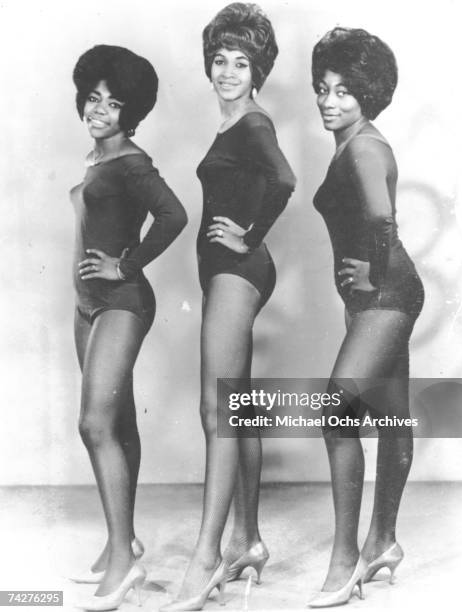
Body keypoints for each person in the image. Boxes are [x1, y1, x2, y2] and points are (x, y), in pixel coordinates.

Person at [161, 4, 295, 611]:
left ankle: (208, 557)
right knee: (232, 406)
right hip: (227, 272)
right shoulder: (233, 124)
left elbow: (285, 180)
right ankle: (249, 541)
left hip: (239, 270)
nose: (228, 71)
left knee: (216, 411)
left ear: (258, 69)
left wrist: (248, 233)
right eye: (220, 60)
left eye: (241, 62)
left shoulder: (254, 125)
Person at [308, 28, 424, 607]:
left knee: (337, 412)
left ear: (369, 93)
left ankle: (345, 557)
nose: (330, 101)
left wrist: (375, 277)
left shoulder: (365, 148)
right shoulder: (354, 140)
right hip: (379, 297)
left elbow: (381, 221)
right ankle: (383, 543)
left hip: (388, 295)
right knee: (393, 418)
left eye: (345, 91)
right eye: (323, 89)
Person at [69, 44, 187, 610]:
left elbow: (175, 215)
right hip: (87, 305)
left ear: (130, 112)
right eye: (93, 98)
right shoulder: (97, 158)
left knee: (94, 424)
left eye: (113, 104)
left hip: (122, 302)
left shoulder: (132, 161)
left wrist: (128, 263)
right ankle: (124, 539)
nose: (99, 110)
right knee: (114, 420)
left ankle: (123, 561)